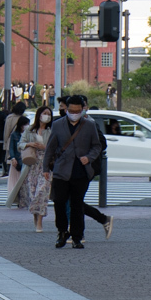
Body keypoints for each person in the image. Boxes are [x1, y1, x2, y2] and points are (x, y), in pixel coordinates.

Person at [42, 94, 103, 249]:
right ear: (67, 109)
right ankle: (62, 232)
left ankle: (77, 237)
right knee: (59, 202)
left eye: (77, 110)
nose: (74, 113)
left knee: (77, 205)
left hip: (81, 171)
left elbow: (97, 146)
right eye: (71, 110)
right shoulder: (58, 124)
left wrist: (88, 158)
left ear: (82, 109)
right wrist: (45, 169)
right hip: (61, 170)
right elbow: (50, 148)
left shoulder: (89, 125)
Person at [14, 106, 53, 231]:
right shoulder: (30, 130)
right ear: (39, 115)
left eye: (49, 114)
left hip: (46, 165)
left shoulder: (51, 131)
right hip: (32, 165)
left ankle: (40, 221)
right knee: (32, 193)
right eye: (44, 113)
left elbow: (56, 148)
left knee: (42, 192)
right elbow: (19, 144)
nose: (47, 116)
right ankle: (36, 216)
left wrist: (44, 147)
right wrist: (29, 144)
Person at [3, 101, 27, 173]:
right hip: (21, 142)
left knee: (12, 163)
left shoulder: (9, 118)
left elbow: (6, 132)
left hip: (10, 141)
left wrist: (5, 144)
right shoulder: (23, 118)